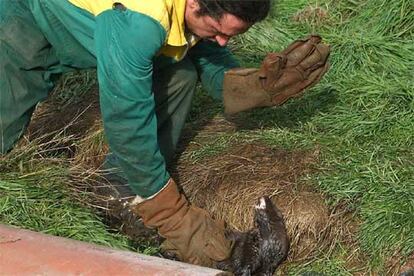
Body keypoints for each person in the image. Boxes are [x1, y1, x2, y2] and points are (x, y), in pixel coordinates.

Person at [0, 0, 329, 269]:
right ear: (195, 4)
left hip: (110, 26)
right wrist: (170, 214)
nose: (224, 41)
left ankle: (119, 189)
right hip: (25, 21)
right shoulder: (139, 22)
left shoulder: (189, 13)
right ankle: (148, 193)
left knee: (179, 73)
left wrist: (244, 86)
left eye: (231, 35)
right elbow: (127, 123)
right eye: (218, 31)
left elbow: (197, 47)